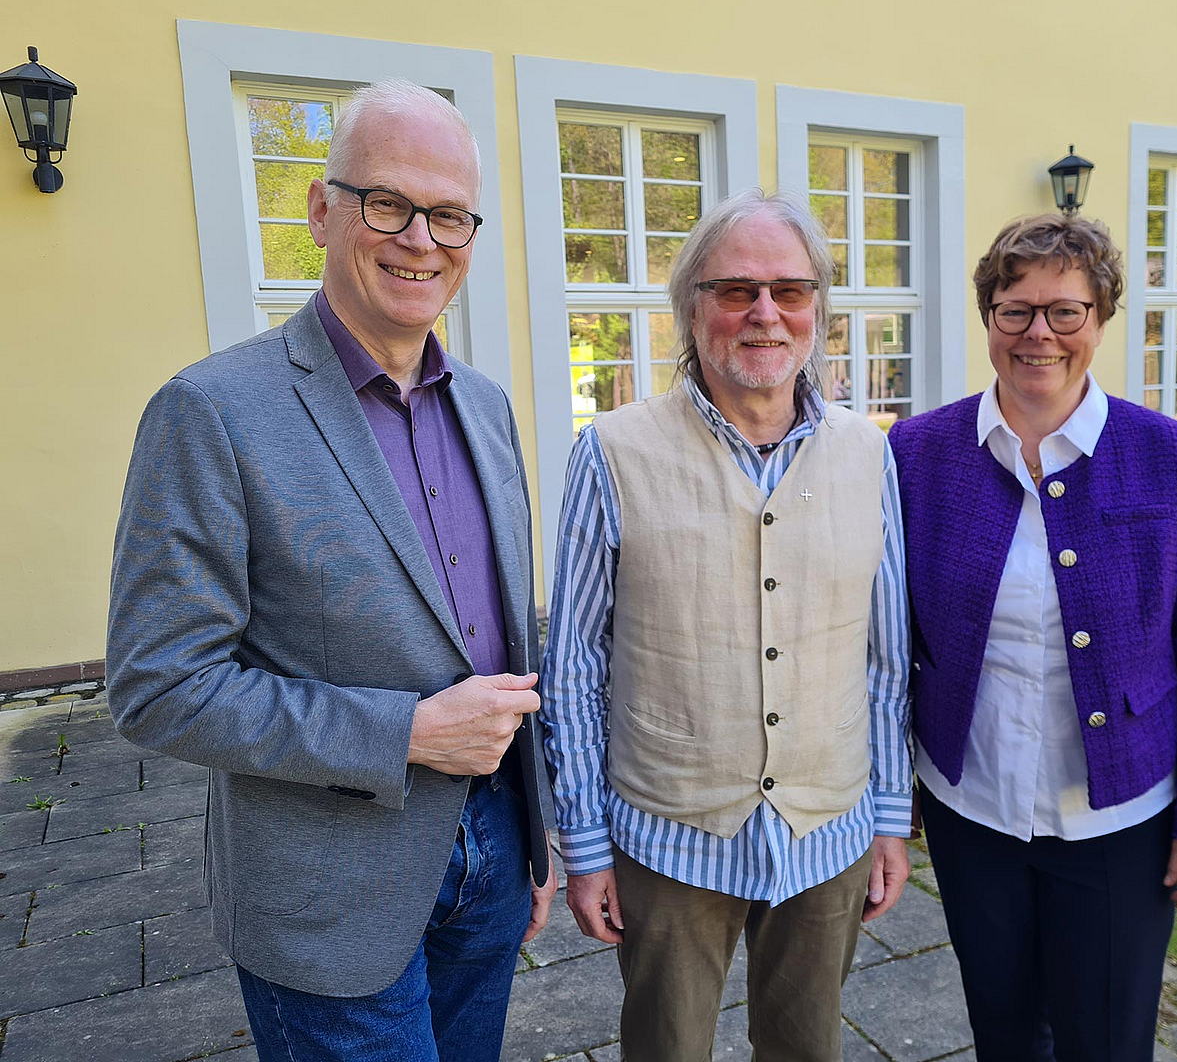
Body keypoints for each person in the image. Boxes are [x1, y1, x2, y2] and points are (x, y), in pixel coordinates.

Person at [106, 79, 555, 1062]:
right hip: (324, 894)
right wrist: (405, 732)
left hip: (491, 855)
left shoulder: (487, 407)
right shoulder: (211, 412)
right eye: (386, 203)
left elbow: (504, 631)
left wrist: (536, 833)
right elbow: (157, 687)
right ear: (321, 208)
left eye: (448, 214)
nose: (421, 240)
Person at [540, 187, 912, 1062]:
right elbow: (572, 666)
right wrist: (586, 846)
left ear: (818, 309)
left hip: (830, 829)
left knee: (808, 1049)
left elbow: (886, 657)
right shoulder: (614, 451)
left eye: (790, 291)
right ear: (691, 309)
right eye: (735, 290)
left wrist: (890, 814)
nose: (764, 314)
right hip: (670, 835)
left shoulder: (870, 453)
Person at [888, 213, 1177, 1062]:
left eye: (1066, 311)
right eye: (1015, 310)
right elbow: (887, 638)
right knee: (1004, 1032)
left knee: (1107, 1041)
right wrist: (885, 803)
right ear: (988, 319)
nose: (1038, 334)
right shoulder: (919, 452)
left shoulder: (1166, 455)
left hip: (1118, 819)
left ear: (1100, 319)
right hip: (972, 810)